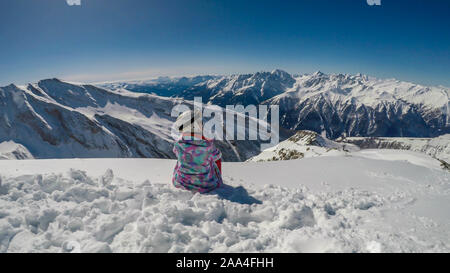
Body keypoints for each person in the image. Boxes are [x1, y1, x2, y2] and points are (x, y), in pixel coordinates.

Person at [172, 110, 222, 193]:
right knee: (211, 160)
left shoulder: (178, 145)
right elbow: (217, 155)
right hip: (206, 185)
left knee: (182, 159)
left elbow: (176, 152)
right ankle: (216, 179)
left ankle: (184, 176)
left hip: (181, 183)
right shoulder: (208, 146)